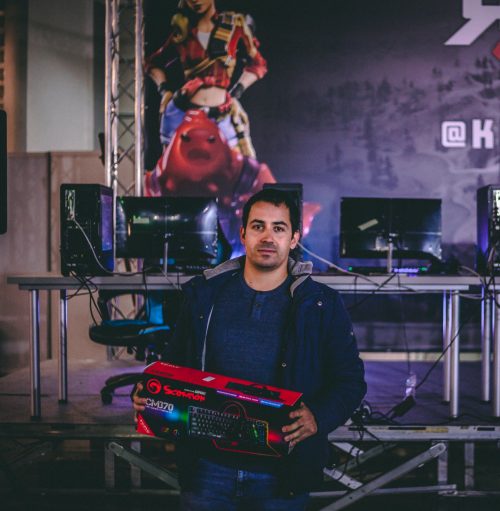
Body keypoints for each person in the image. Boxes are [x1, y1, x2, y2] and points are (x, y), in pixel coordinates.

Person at [133, 188, 366, 510]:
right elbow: (174, 365)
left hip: (282, 470)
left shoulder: (321, 304)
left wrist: (319, 416)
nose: (267, 237)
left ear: (294, 239)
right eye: (258, 226)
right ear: (243, 234)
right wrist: (150, 391)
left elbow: (350, 380)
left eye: (278, 228)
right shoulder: (205, 296)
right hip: (208, 467)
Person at [145, 0, 267, 158]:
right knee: (174, 167)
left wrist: (236, 92)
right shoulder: (182, 31)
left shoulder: (233, 27)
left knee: (235, 166)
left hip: (221, 115)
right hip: (182, 112)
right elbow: (152, 63)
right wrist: (164, 91)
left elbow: (258, 64)